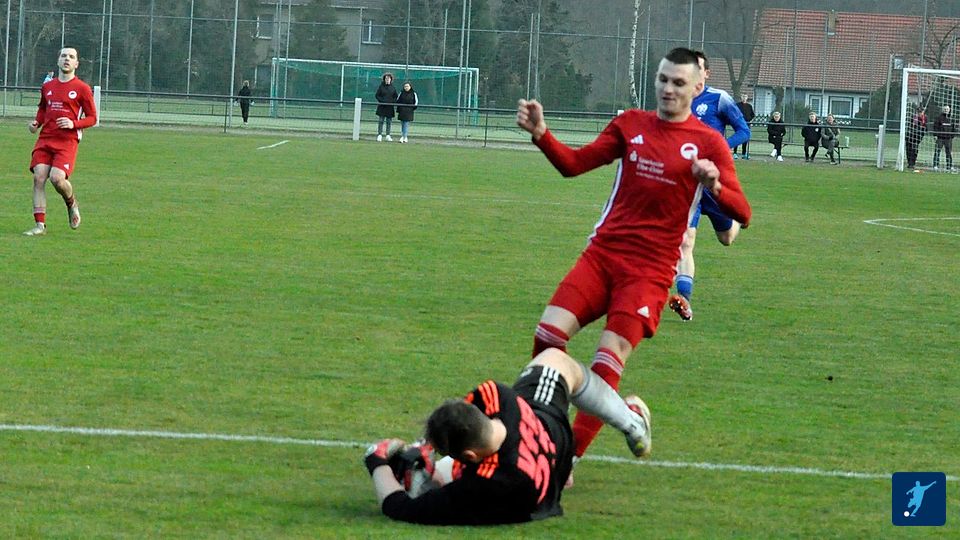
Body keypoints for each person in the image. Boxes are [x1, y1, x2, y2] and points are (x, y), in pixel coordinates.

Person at [516, 48, 751, 475]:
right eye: (662, 79)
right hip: (602, 256)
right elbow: (574, 165)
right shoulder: (631, 124)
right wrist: (542, 135)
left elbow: (744, 212)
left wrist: (715, 185)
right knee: (547, 336)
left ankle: (565, 461)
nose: (668, 89)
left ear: (698, 87)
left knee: (606, 362)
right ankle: (555, 432)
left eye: (678, 83)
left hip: (649, 274)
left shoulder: (709, 143)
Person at [362, 348, 652, 524]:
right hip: (554, 438)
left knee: (432, 487)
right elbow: (460, 416)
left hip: (538, 481)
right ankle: (632, 424)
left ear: (470, 456)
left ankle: (422, 476)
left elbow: (400, 509)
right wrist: (428, 445)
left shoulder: (487, 483)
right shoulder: (498, 395)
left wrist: (377, 461)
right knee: (556, 360)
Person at [670, 50, 751, 322]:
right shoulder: (677, 99)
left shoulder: (719, 99)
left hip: (714, 182)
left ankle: (739, 218)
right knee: (685, 241)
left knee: (726, 238)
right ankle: (685, 301)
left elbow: (744, 131)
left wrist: (720, 149)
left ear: (706, 73)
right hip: (687, 184)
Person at [23, 47, 97, 236]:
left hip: (67, 141)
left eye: (71, 57)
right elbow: (43, 109)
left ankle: (71, 203)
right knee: (39, 177)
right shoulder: (48, 86)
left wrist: (73, 123)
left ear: (76, 64)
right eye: (64, 56)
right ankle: (40, 226)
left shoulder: (82, 88)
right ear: (58, 61)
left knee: (57, 179)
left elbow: (92, 118)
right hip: (46, 139)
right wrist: (36, 123)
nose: (67, 59)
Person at [375, 72, 398, 142]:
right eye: (386, 78)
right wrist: (382, 101)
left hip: (390, 108)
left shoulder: (393, 87)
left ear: (391, 79)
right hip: (382, 107)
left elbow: (395, 97)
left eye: (389, 78)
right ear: (384, 79)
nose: (387, 80)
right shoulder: (381, 87)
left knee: (389, 122)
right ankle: (379, 135)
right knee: (381, 121)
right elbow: (377, 95)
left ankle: (388, 135)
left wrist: (392, 102)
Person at [905, 105, 928, 170]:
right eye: (918, 112)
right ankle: (909, 163)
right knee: (909, 149)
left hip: (917, 137)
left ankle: (912, 163)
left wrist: (922, 130)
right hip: (910, 135)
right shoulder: (913, 117)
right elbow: (910, 126)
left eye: (921, 111)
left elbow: (925, 128)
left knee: (914, 149)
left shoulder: (924, 118)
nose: (920, 113)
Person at [932, 105, 954, 171]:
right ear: (942, 110)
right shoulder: (939, 118)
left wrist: (952, 136)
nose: (946, 110)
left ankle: (949, 166)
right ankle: (935, 165)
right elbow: (935, 127)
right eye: (945, 109)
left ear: (949, 110)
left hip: (948, 138)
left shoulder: (951, 118)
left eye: (947, 109)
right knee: (937, 151)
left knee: (949, 152)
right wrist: (935, 135)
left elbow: (953, 128)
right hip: (940, 138)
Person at [735, 93, 756, 159]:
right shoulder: (737, 105)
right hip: (739, 124)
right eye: (743, 96)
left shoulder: (749, 106)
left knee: (745, 139)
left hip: (746, 125)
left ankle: (744, 154)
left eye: (745, 97)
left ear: (747, 98)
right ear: (741, 97)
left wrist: (749, 120)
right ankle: (735, 153)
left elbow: (753, 115)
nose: (744, 98)